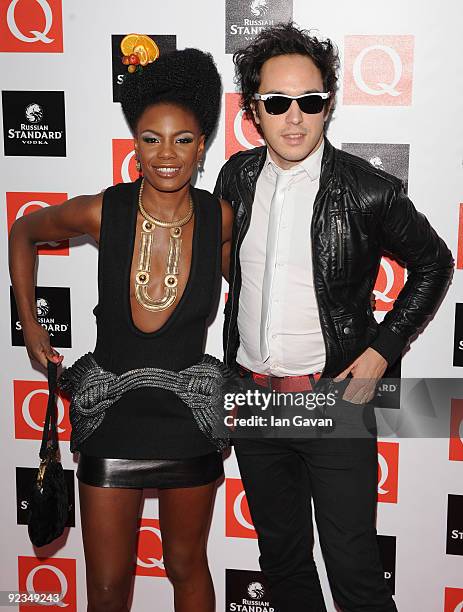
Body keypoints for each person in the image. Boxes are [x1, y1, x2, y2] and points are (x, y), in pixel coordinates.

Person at [214, 22, 454, 612]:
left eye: (311, 101)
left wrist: (380, 353)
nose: (294, 118)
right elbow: (232, 272)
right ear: (253, 111)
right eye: (277, 102)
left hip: (334, 402)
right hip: (256, 401)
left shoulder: (368, 190)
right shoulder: (236, 179)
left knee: (355, 572)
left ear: (328, 106)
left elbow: (435, 262)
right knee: (283, 562)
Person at [9, 45, 233, 612]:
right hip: (110, 419)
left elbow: (256, 292)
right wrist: (30, 324)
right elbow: (23, 232)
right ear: (134, 145)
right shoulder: (100, 212)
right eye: (150, 138)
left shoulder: (219, 217)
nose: (166, 153)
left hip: (190, 421)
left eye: (182, 139)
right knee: (108, 584)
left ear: (201, 145)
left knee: (188, 568)